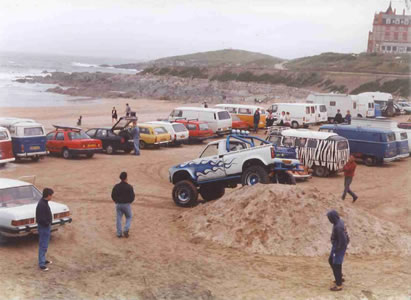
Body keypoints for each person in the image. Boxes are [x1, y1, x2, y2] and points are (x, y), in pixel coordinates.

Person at [327, 210, 349, 292]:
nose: (329, 219)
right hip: (337, 245)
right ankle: (339, 277)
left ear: (333, 217)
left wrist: (337, 250)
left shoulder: (338, 227)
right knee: (331, 260)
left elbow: (343, 241)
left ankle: (339, 285)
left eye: (329, 218)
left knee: (336, 264)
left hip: (339, 247)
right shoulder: (338, 222)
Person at [111, 172, 135, 238]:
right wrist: (129, 202)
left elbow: (113, 195)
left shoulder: (116, 186)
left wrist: (116, 201)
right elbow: (132, 197)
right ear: (126, 178)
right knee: (129, 217)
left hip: (118, 204)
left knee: (118, 218)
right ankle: (126, 229)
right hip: (126, 204)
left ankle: (119, 233)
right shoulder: (129, 187)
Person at [36, 188, 54, 271]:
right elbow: (40, 218)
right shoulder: (42, 204)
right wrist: (47, 223)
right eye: (51, 195)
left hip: (45, 226)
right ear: (48, 195)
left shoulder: (43, 202)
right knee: (43, 244)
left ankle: (43, 259)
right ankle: (41, 264)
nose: (52, 197)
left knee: (44, 244)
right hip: (44, 227)